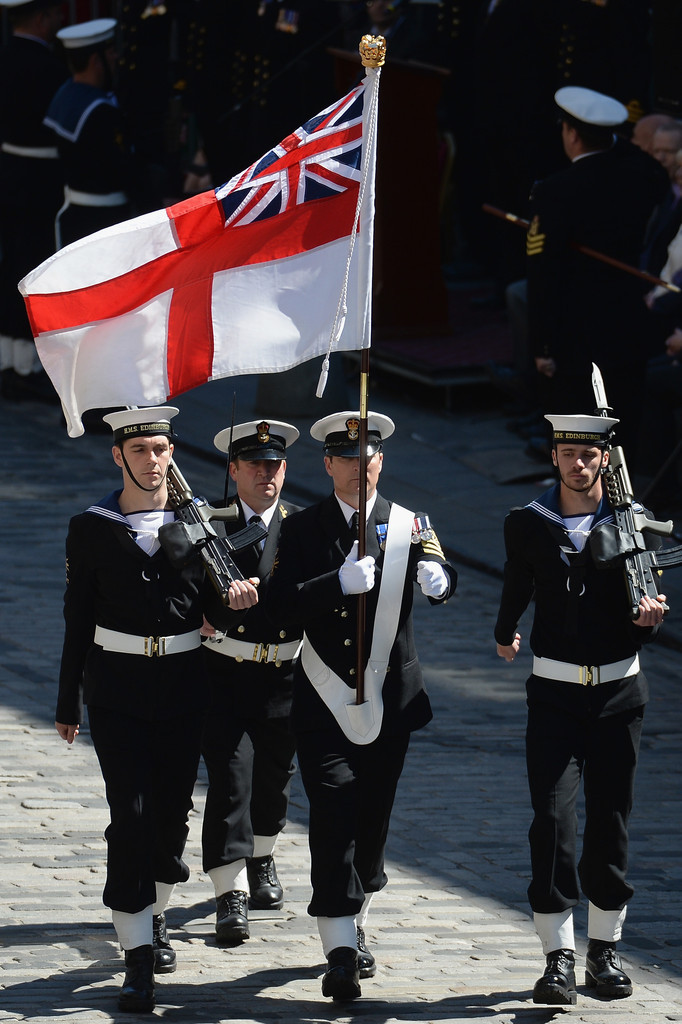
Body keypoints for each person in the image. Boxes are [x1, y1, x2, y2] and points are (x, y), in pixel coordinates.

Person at [267, 411, 457, 1001]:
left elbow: (440, 567)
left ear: (382, 461)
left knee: (371, 820)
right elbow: (274, 609)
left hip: (391, 700)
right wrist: (334, 584)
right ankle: (340, 948)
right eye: (346, 459)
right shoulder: (302, 531)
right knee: (333, 813)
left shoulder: (408, 523)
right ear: (327, 464)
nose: (358, 467)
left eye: (367, 457)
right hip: (324, 702)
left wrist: (439, 579)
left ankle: (361, 906)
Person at [494, 411, 668, 1006]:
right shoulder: (528, 522)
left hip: (620, 693)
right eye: (567, 453)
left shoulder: (633, 525)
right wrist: (504, 630)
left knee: (610, 822)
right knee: (552, 820)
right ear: (553, 458)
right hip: (554, 693)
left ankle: (605, 950)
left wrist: (647, 621)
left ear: (604, 460)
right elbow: (517, 581)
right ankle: (557, 956)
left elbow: (639, 604)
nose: (577, 463)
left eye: (588, 454)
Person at [54, 407, 213, 1014]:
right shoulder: (91, 526)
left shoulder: (196, 523)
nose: (154, 460)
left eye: (162, 449)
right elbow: (76, 619)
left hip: (184, 686)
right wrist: (68, 700)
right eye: (141, 450)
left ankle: (155, 911)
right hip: (116, 690)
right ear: (117, 456)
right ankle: (138, 957)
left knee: (171, 818)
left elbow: (222, 602)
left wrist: (235, 604)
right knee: (132, 815)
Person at [200, 419, 303, 946]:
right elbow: (184, 589)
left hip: (285, 672)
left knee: (273, 777)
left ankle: (263, 857)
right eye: (255, 464)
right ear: (234, 469)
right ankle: (230, 890)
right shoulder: (208, 524)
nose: (266, 473)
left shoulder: (304, 526)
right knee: (231, 779)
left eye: (274, 465)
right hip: (225, 673)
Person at [527, 86, 669, 458]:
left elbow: (544, 275)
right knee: (624, 439)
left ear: (571, 134)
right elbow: (652, 165)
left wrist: (542, 346)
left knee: (577, 445)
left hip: (575, 335)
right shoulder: (639, 178)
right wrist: (611, 138)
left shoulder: (555, 192)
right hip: (626, 326)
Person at [0, 0, 67, 403]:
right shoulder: (51, 69)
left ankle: (8, 359)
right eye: (55, 14)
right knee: (34, 268)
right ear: (40, 17)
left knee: (10, 262)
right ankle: (26, 365)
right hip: (41, 179)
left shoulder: (5, 58)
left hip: (8, 171)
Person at [44, 18, 133, 249]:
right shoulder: (100, 111)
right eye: (111, 52)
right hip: (105, 220)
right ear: (96, 60)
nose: (115, 58)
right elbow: (121, 168)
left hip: (75, 214)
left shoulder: (64, 94)